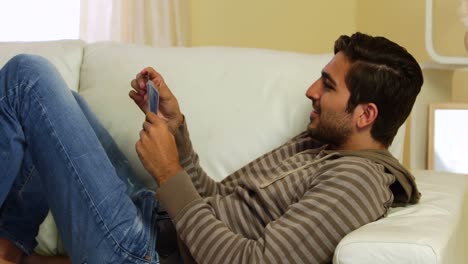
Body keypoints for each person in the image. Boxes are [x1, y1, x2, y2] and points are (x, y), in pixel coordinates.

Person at [0, 32, 423, 264]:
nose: (311, 91)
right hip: (153, 220)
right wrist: (175, 128)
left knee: (28, 76)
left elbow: (250, 261)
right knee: (59, 105)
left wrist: (169, 174)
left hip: (143, 253)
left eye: (328, 86)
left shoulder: (356, 183)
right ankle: (9, 246)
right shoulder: (323, 142)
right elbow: (218, 200)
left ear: (365, 115)